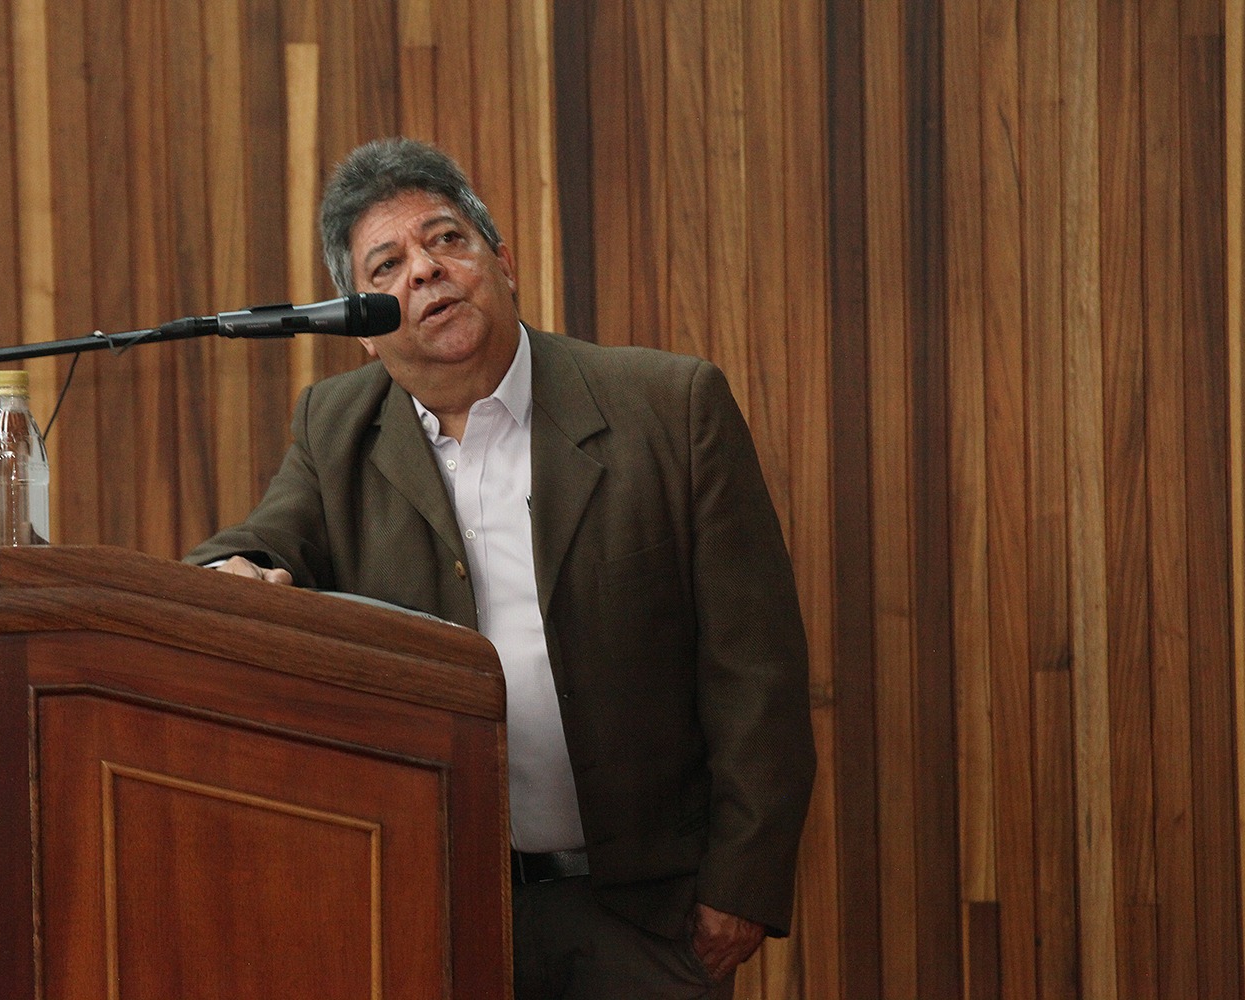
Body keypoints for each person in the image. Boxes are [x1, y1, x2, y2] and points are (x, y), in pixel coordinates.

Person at [186, 137, 815, 999]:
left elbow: (758, 669)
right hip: (436, 907)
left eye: (447, 240)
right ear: (361, 326)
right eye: (387, 265)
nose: (425, 270)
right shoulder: (335, 427)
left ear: (502, 264)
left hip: (644, 915)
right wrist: (230, 572)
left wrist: (740, 886)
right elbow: (262, 544)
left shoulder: (669, 409)